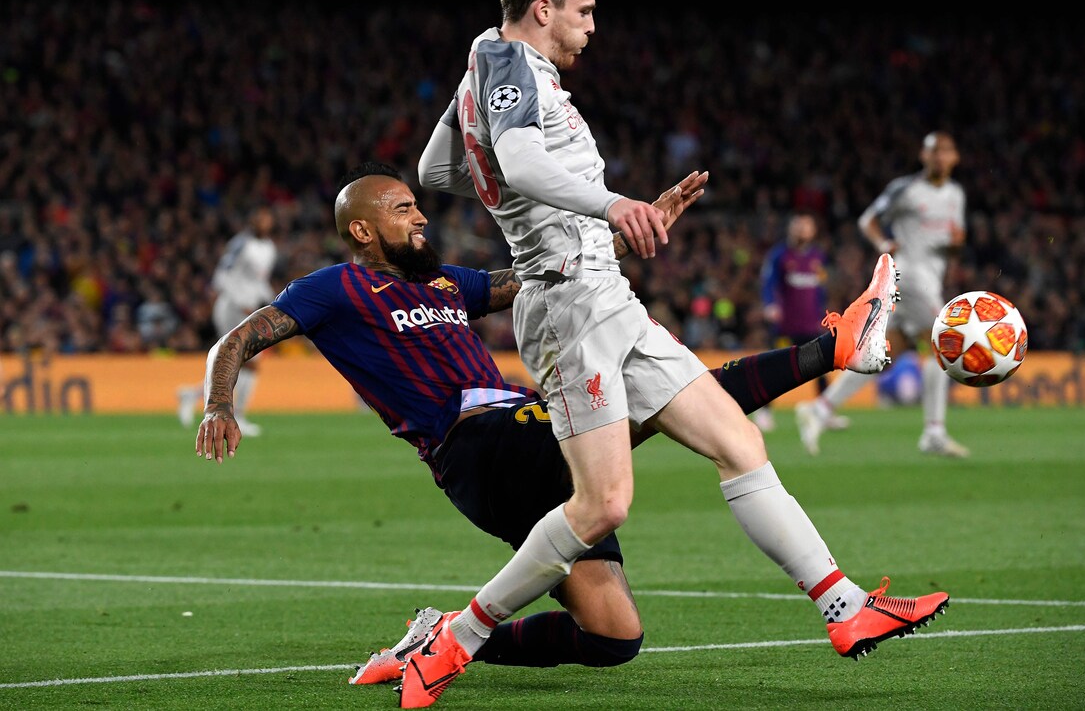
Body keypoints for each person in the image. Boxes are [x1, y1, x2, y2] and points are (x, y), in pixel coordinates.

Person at [414, 0, 948, 708]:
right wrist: (610, 207)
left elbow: (439, 169)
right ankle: (456, 639)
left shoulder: (486, 66)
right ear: (543, 8)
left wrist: (560, 218)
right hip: (567, 308)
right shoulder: (510, 63)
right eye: (584, 11)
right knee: (603, 505)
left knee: (739, 443)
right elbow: (519, 165)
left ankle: (845, 606)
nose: (592, 26)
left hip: (603, 294)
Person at [194, 164, 942, 697]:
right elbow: (239, 338)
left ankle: (442, 636)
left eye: (417, 205)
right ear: (362, 228)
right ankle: (830, 350)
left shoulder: (448, 283)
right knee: (661, 395)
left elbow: (543, 277)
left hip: (528, 435)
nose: (418, 215)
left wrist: (632, 235)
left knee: (614, 639)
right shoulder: (333, 288)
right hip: (477, 445)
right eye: (400, 208)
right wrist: (219, 404)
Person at [795, 131, 969, 458]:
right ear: (924, 156)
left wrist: (955, 246)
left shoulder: (955, 194)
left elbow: (954, 240)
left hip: (930, 280)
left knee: (882, 356)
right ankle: (934, 431)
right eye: (934, 151)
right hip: (910, 276)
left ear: (955, 157)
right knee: (944, 343)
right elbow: (868, 220)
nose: (940, 157)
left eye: (946, 151)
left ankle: (820, 408)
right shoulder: (906, 189)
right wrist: (883, 243)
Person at [178, 205, 278, 436]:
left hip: (251, 309)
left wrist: (274, 301)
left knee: (239, 363)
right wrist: (239, 301)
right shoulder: (240, 244)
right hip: (231, 307)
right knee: (247, 362)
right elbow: (221, 276)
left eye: (267, 218)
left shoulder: (269, 248)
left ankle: (192, 395)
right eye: (260, 218)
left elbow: (259, 281)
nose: (264, 223)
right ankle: (237, 415)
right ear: (253, 220)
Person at [752, 209, 848, 437]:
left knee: (821, 367)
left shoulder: (818, 257)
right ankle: (764, 411)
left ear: (813, 230)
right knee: (777, 368)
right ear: (791, 228)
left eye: (806, 225)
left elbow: (820, 289)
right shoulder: (779, 255)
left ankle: (825, 413)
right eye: (798, 225)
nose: (802, 230)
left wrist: (823, 314)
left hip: (810, 324)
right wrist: (770, 305)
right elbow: (768, 283)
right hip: (785, 325)